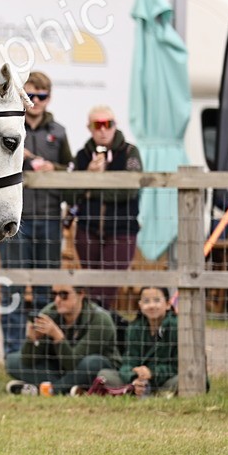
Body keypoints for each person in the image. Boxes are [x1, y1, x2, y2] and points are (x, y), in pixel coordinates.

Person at [0, 70, 72, 356]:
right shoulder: (9, 126)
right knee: (13, 287)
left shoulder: (60, 132)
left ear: (49, 98)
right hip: (15, 219)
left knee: (44, 288)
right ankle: (14, 353)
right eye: (32, 95)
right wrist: (28, 165)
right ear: (22, 96)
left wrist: (54, 170)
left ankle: (41, 353)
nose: (37, 101)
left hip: (50, 218)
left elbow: (70, 170)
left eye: (42, 96)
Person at [69, 106, 142, 309]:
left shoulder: (129, 152)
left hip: (121, 230)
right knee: (91, 286)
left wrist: (92, 186)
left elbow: (129, 190)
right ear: (89, 128)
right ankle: (96, 332)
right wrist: (88, 176)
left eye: (107, 124)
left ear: (114, 125)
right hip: (87, 230)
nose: (103, 130)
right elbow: (68, 194)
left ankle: (98, 331)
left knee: (105, 289)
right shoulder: (83, 155)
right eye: (97, 125)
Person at [5, 285, 119, 394]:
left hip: (91, 369)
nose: (57, 300)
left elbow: (73, 363)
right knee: (12, 361)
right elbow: (28, 360)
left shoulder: (100, 319)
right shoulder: (50, 312)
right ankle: (67, 388)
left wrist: (58, 337)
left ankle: (49, 390)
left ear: (81, 294)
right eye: (54, 294)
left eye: (64, 295)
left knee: (93, 363)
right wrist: (32, 339)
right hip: (59, 369)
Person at [96, 286, 178, 396]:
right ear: (140, 305)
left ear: (168, 304)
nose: (152, 305)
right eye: (146, 301)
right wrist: (134, 377)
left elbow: (177, 366)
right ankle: (139, 390)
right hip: (139, 379)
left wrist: (152, 373)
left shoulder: (176, 327)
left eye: (157, 300)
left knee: (182, 380)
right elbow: (128, 362)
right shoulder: (134, 328)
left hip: (166, 379)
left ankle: (150, 392)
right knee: (105, 375)